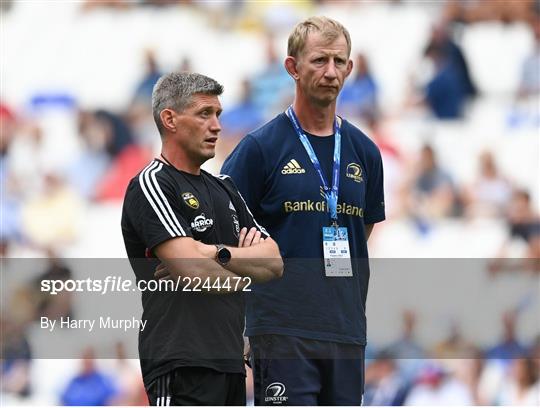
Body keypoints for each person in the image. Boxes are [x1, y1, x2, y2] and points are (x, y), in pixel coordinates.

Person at [221, 16, 385, 405]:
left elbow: (361, 231)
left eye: (339, 61)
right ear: (292, 68)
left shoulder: (365, 151)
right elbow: (223, 240)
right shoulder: (259, 149)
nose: (331, 72)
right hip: (280, 330)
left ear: (350, 67)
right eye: (318, 61)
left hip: (344, 332)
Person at [121, 72, 283, 406]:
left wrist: (214, 253)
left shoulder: (226, 186)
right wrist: (244, 269)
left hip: (231, 363)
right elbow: (192, 270)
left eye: (218, 115)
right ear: (170, 119)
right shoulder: (152, 184)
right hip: (181, 361)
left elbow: (273, 262)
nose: (217, 126)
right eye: (204, 114)